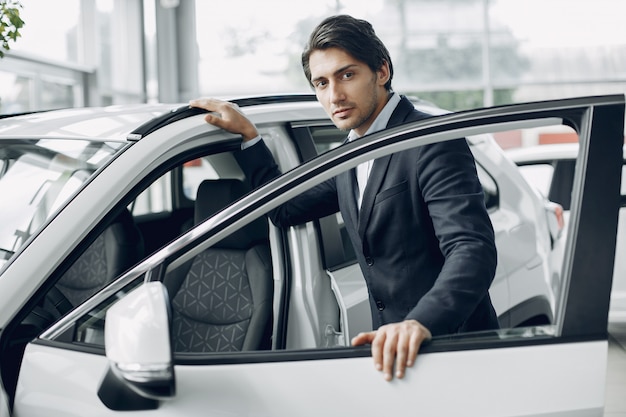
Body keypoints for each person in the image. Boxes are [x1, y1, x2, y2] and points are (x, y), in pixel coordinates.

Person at [189, 14, 499, 381]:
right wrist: (249, 138)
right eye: (321, 83)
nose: (333, 95)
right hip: (393, 356)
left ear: (381, 71)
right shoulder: (349, 155)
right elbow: (286, 207)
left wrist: (420, 322)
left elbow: (471, 249)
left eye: (346, 75)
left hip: (452, 349)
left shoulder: (430, 142)